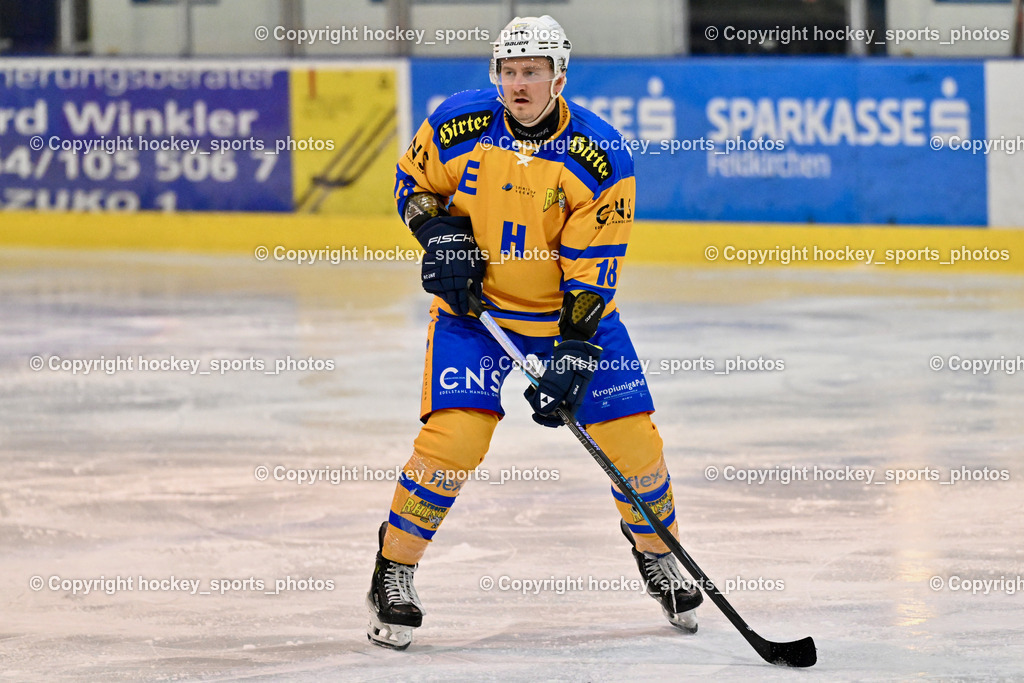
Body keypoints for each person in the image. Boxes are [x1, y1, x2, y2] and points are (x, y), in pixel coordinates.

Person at [366, 15, 702, 650]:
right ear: (497, 75)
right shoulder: (456, 124)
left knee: (634, 446)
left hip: (569, 321)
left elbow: (593, 268)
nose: (519, 84)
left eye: (532, 72)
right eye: (510, 72)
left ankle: (657, 553)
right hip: (477, 317)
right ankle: (394, 571)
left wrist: (572, 356)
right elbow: (414, 187)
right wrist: (437, 235)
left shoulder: (599, 154)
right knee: (453, 444)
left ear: (559, 77)